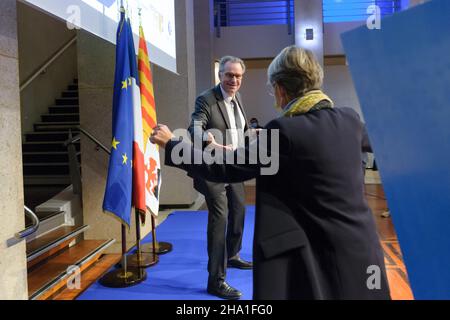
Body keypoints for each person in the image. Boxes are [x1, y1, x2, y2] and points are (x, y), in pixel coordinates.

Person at [151, 46, 390, 300]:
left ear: (280, 88)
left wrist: (173, 145)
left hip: (313, 261)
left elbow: (223, 168)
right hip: (362, 252)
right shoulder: (350, 119)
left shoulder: (284, 131)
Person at [187, 56, 252, 300]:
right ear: (220, 75)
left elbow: (241, 130)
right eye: (229, 75)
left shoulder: (237, 99)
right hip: (212, 168)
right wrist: (206, 138)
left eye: (238, 76)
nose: (234, 80)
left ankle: (232, 255)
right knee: (220, 216)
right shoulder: (206, 99)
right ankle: (216, 280)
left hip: (234, 167)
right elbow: (195, 126)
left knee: (239, 210)